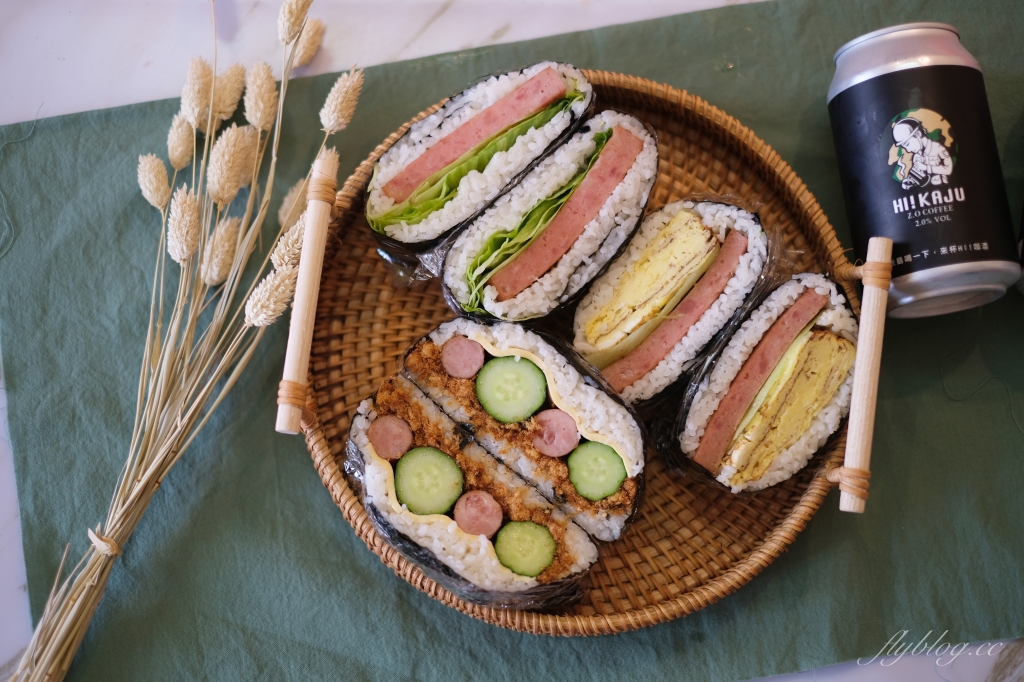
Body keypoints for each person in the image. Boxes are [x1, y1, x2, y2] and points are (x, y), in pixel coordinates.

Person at [892, 117, 953, 189]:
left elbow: (949, 170)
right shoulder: (916, 156)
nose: (908, 150)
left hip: (945, 188)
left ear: (918, 134)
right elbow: (918, 175)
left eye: (907, 144)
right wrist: (909, 182)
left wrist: (926, 167)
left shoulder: (938, 148)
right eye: (904, 147)